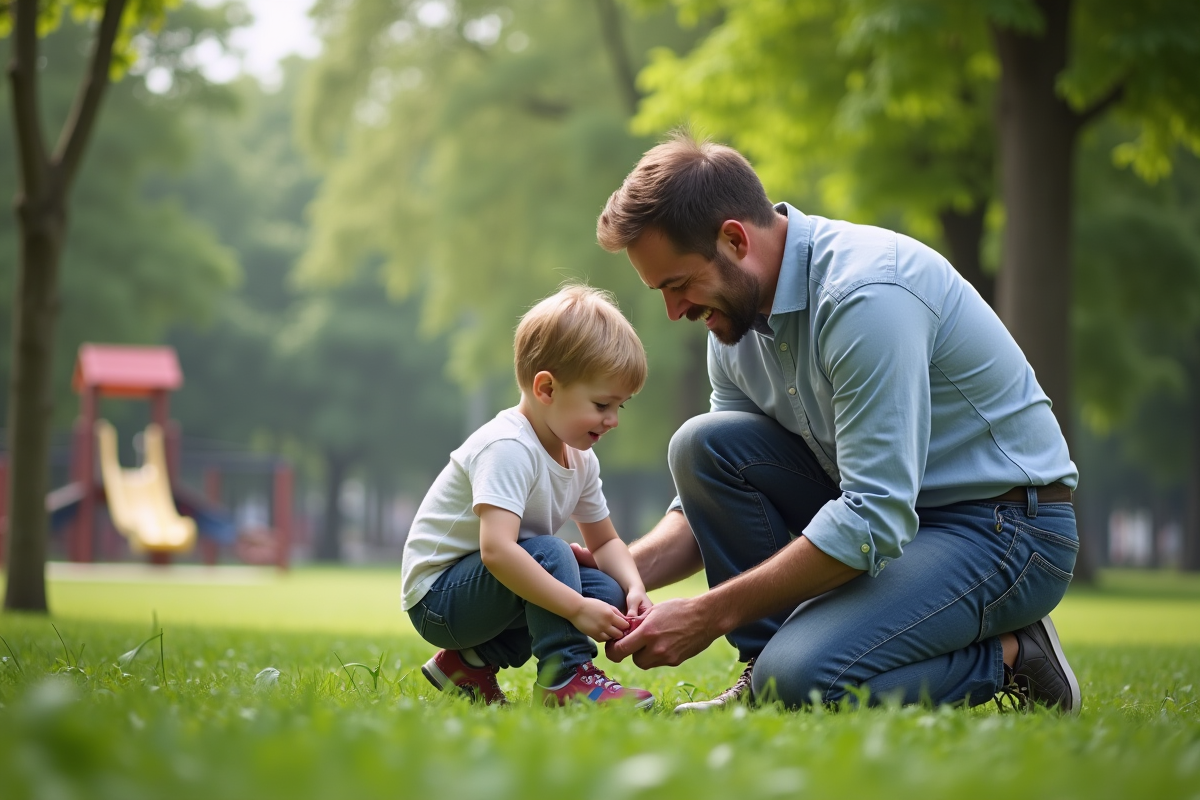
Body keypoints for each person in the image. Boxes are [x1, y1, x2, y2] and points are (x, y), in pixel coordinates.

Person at [588, 132, 1081, 714]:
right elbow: (722, 491)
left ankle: (1014, 657)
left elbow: (874, 512)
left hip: (1004, 528)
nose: (674, 312)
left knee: (800, 682)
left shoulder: (865, 296)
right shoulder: (735, 321)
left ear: (734, 239)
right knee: (702, 445)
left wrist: (710, 611)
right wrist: (618, 571)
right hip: (898, 518)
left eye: (678, 284)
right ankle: (767, 671)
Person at [401, 285, 654, 708]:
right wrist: (575, 609)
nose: (612, 420)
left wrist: (634, 586)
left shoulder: (580, 457)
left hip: (489, 587)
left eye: (620, 407)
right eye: (602, 404)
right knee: (555, 555)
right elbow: (498, 551)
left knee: (604, 591)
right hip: (438, 600)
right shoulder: (508, 448)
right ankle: (564, 680)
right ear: (547, 389)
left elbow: (606, 541)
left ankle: (466, 664)